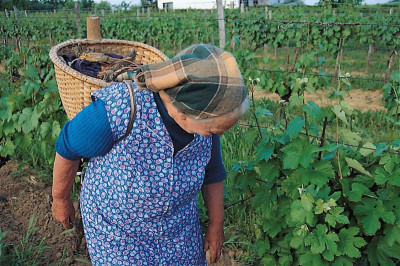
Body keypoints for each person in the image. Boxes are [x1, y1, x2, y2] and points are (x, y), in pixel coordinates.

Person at [51, 44, 249, 265]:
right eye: (213, 130)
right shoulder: (121, 108)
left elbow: (212, 172)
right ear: (185, 113)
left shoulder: (203, 124)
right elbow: (68, 146)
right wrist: (60, 198)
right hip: (118, 232)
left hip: (177, 230)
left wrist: (216, 224)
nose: (215, 135)